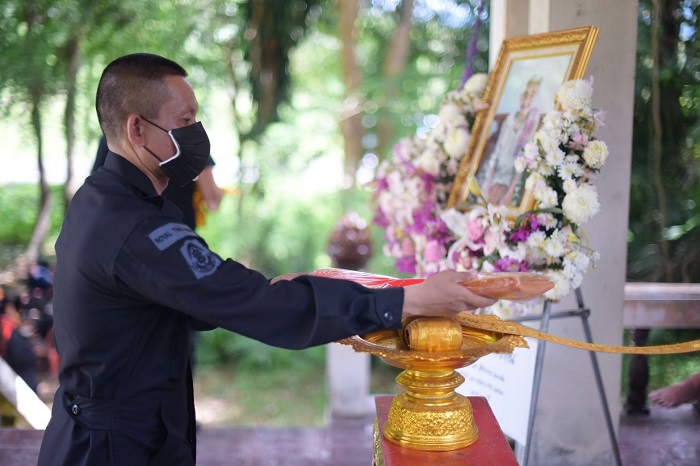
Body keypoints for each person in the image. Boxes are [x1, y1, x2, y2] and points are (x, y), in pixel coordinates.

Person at [37, 53, 496, 465]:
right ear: (137, 129)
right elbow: (256, 309)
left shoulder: (104, 200)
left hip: (119, 431)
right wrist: (408, 300)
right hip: (113, 448)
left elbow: (196, 293)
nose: (197, 134)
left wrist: (269, 290)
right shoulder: (135, 227)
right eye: (185, 120)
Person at [477, 75, 542, 206]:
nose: (527, 99)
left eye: (532, 95)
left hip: (512, 180)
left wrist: (510, 191)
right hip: (496, 175)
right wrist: (488, 183)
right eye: (525, 94)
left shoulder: (534, 121)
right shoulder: (510, 119)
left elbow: (524, 159)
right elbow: (497, 151)